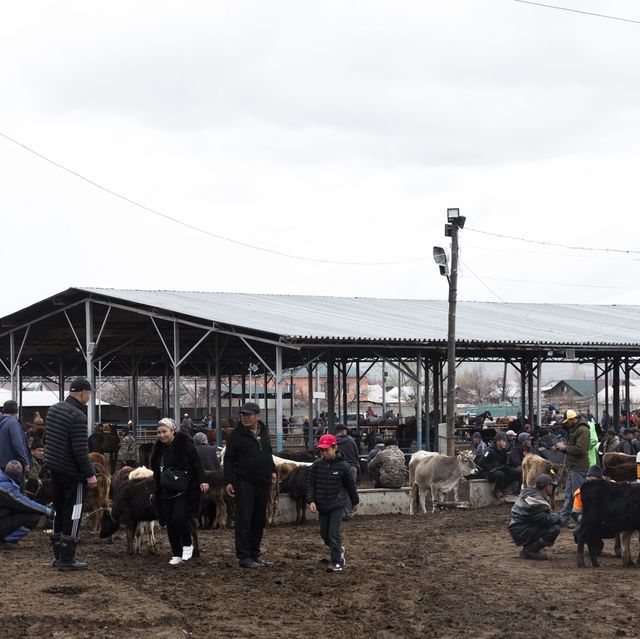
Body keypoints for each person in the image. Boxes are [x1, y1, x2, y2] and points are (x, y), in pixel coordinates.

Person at [43, 377, 97, 570]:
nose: (88, 398)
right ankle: (67, 558)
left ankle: (58, 554)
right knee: (74, 513)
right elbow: (80, 451)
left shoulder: (54, 410)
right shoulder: (77, 416)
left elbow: (46, 438)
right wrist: (90, 474)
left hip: (55, 470)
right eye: (88, 395)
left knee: (59, 510)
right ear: (83, 393)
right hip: (73, 474)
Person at [223, 401, 277, 569]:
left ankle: (255, 553)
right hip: (244, 481)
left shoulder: (264, 432)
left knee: (259, 519)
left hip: (263, 481)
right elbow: (229, 459)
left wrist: (273, 470)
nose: (245, 418)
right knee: (244, 519)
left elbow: (268, 454)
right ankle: (244, 556)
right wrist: (229, 481)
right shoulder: (236, 435)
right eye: (243, 415)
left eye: (249, 415)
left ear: (257, 416)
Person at [150, 418, 208, 566]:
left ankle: (187, 543)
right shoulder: (158, 450)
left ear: (172, 431)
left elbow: (196, 461)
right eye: (159, 432)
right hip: (165, 489)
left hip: (185, 487)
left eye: (164, 432)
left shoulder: (185, 443)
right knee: (169, 522)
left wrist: (202, 480)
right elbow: (156, 471)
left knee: (179, 518)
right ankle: (176, 553)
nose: (161, 435)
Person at [307, 434, 359, 572]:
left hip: (337, 504)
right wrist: (311, 500)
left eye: (326, 450)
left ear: (335, 448)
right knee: (324, 534)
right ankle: (338, 549)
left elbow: (350, 486)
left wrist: (355, 501)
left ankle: (337, 561)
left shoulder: (344, 466)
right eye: (321, 450)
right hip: (322, 504)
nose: (323, 453)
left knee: (333, 534)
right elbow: (311, 484)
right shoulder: (317, 465)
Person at [0, 460, 54, 548]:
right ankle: (5, 540)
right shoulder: (7, 487)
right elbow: (25, 503)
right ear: (20, 475)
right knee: (32, 518)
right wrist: (46, 510)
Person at [508, 473, 561, 560]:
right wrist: (560, 516)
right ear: (547, 487)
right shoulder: (536, 500)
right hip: (521, 531)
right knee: (554, 528)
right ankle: (530, 550)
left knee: (552, 523)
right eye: (551, 486)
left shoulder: (529, 492)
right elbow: (546, 519)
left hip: (519, 527)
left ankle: (530, 547)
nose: (552, 488)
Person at [554, 409, 590, 527]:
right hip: (573, 466)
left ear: (573, 420)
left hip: (579, 467)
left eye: (566, 422)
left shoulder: (583, 430)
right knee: (569, 494)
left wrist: (565, 448)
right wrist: (563, 448)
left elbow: (581, 450)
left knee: (578, 495)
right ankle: (564, 518)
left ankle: (579, 519)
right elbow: (573, 448)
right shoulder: (575, 430)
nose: (565, 424)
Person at [476, 432, 521, 498]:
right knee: (500, 474)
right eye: (503, 441)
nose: (505, 443)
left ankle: (505, 488)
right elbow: (481, 462)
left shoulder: (503, 451)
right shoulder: (489, 450)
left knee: (515, 472)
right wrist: (491, 467)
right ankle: (497, 490)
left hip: (500, 468)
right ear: (498, 442)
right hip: (490, 472)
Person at [0, 400, 30, 478]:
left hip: (3, 465)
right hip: (14, 467)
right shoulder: (13, 423)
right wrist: (25, 463)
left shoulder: (2, 423)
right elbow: (17, 444)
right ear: (16, 410)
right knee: (16, 488)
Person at [335, 424, 359, 520]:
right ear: (344, 431)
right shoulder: (351, 440)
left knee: (339, 490)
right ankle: (348, 513)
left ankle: (340, 513)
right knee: (350, 490)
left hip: (338, 468)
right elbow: (356, 455)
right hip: (351, 467)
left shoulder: (333, 442)